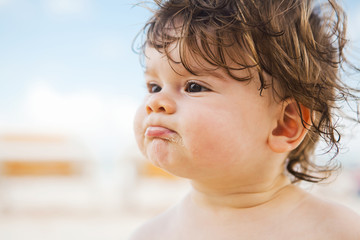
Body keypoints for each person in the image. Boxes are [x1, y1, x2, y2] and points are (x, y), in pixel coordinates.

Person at [131, 0, 360, 239]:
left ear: (285, 125)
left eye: (195, 86)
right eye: (154, 86)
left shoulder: (338, 231)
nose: (155, 102)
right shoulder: (150, 234)